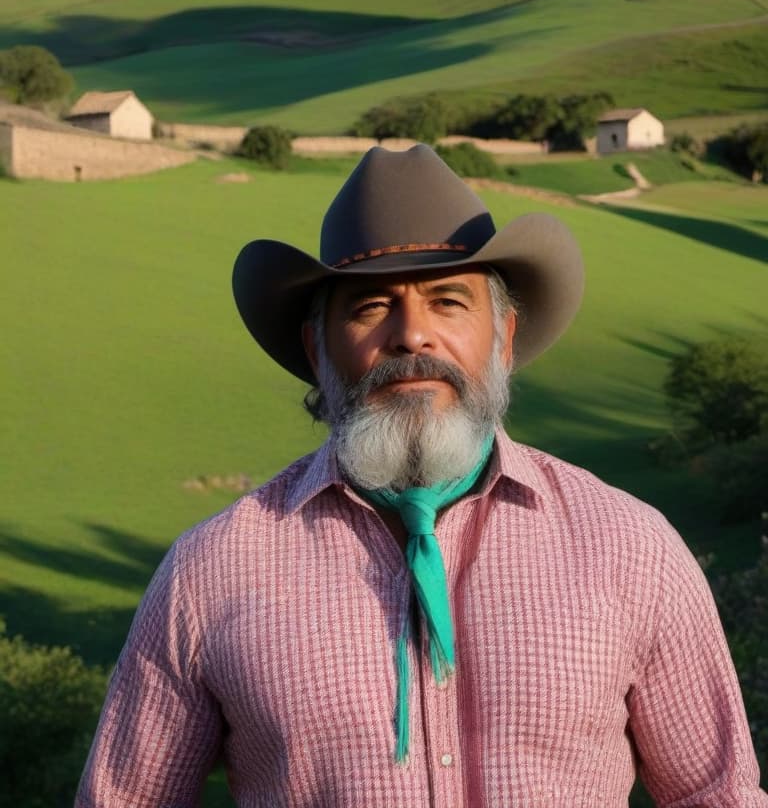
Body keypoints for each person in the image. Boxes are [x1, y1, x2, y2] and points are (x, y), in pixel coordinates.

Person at [76, 144, 766, 807]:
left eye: (448, 301)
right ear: (318, 349)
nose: (411, 336)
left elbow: (719, 796)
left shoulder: (630, 548)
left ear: (503, 336)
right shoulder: (213, 571)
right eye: (371, 306)